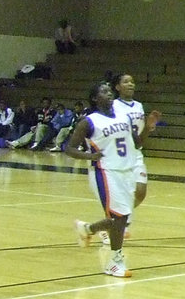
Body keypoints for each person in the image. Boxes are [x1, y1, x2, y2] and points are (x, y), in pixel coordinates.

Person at [66, 81, 157, 278]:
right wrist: (90, 157)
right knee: (120, 216)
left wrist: (148, 128)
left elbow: (137, 143)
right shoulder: (89, 121)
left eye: (109, 92)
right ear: (94, 98)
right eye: (104, 92)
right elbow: (69, 148)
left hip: (126, 170)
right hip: (105, 172)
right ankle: (114, 262)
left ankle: (88, 228)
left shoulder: (123, 116)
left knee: (121, 216)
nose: (109, 95)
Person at [113, 73, 159, 217]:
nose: (131, 84)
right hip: (119, 154)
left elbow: (140, 140)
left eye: (132, 81)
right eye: (126, 82)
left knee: (140, 192)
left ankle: (115, 220)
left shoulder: (139, 106)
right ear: (117, 87)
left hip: (135, 152)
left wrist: (148, 127)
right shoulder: (113, 105)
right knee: (121, 195)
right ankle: (115, 224)